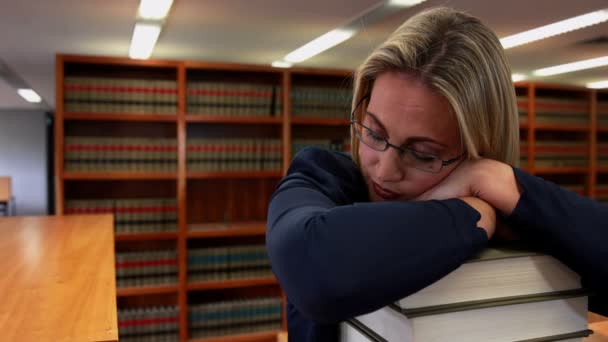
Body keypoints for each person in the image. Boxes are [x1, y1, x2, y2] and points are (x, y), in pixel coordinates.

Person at [266, 7, 608, 342]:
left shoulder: (514, 205)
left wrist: (504, 187)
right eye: (374, 132)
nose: (384, 171)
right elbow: (315, 271)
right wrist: (475, 213)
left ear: (478, 150)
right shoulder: (322, 174)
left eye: (422, 154)